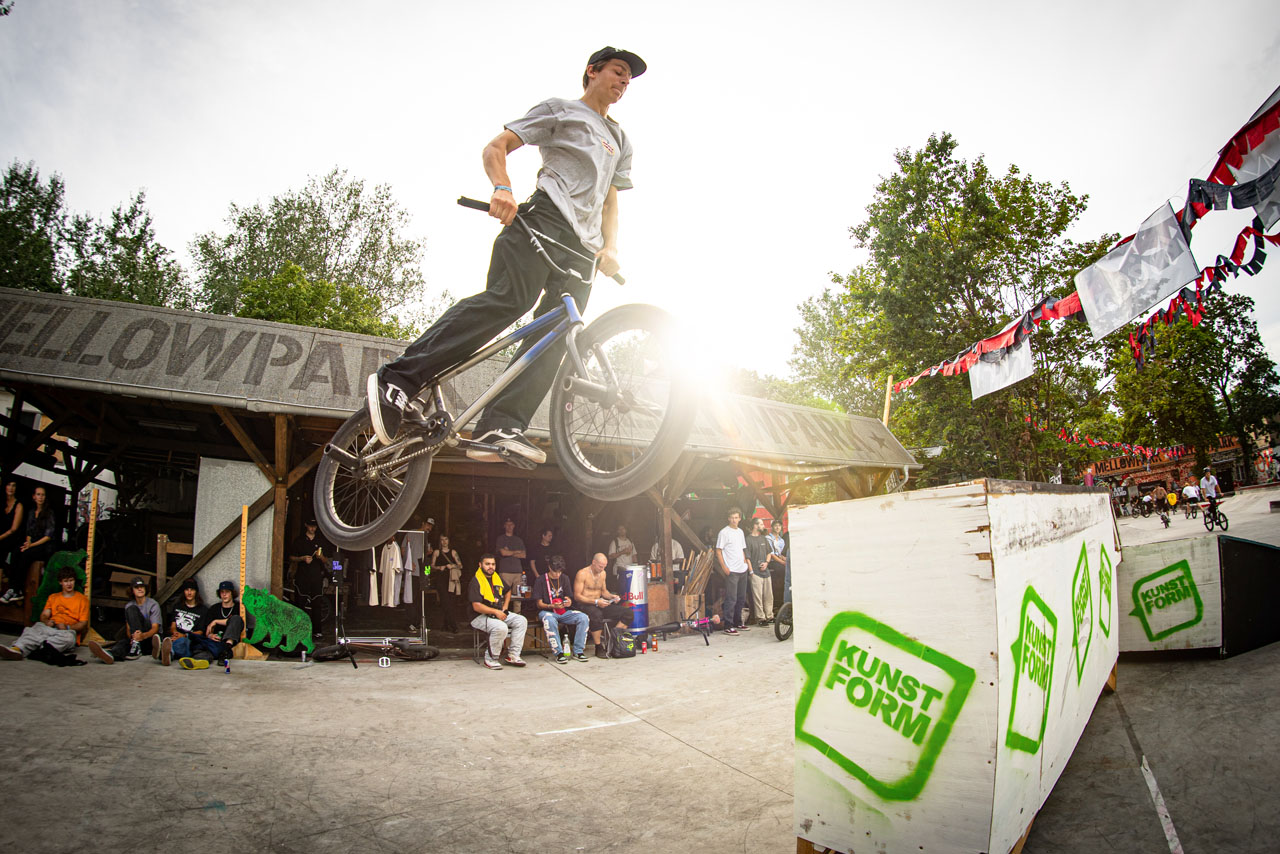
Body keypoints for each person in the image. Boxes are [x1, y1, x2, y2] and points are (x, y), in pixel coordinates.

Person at [366, 46, 645, 466]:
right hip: (543, 221)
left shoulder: (621, 140)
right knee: (508, 301)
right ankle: (400, 378)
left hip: (582, 251)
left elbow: (610, 201)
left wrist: (611, 247)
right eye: (617, 72)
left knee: (558, 335)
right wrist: (503, 188)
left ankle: (500, 424)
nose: (623, 82)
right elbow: (496, 147)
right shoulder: (561, 110)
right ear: (592, 72)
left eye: (628, 79)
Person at [0, 566, 87, 660]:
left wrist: (68, 627)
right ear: (60, 582)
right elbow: (44, 615)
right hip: (50, 627)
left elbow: (83, 623)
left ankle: (38, 649)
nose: (69, 584)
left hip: (66, 631)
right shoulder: (53, 597)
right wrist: (46, 621)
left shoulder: (82, 599)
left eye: (71, 580)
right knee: (33, 630)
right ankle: (16, 650)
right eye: (66, 581)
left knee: (68, 639)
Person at [469, 554, 527, 670]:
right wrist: (496, 612)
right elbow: (476, 606)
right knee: (501, 627)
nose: (491, 567)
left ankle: (513, 655)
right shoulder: (476, 581)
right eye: (487, 564)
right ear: (480, 565)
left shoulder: (496, 578)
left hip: (497, 613)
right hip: (478, 616)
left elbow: (508, 590)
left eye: (493, 564)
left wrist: (504, 608)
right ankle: (491, 659)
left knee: (521, 620)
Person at [88, 576, 162, 664]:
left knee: (132, 609)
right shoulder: (129, 606)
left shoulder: (153, 604)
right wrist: (133, 637)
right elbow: (128, 630)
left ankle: (136, 646)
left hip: (149, 639)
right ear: (132, 590)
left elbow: (155, 628)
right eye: (136, 587)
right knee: (123, 643)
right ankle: (111, 654)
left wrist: (142, 636)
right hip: (136, 641)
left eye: (142, 587)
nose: (140, 589)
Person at [533, 555, 589, 663]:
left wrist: (568, 601)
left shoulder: (565, 578)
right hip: (547, 611)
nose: (558, 575)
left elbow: (569, 597)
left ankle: (578, 651)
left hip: (563, 611)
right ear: (549, 568)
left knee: (583, 617)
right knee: (550, 620)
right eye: (555, 572)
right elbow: (539, 604)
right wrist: (551, 606)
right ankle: (558, 653)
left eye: (560, 572)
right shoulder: (540, 580)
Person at [573, 553, 629, 658]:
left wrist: (612, 597)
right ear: (594, 563)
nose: (602, 568)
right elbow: (577, 596)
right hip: (585, 604)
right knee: (596, 615)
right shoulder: (582, 573)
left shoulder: (603, 573)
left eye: (604, 566)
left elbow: (604, 592)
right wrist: (595, 602)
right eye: (600, 566)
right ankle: (598, 646)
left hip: (600, 602)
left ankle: (614, 641)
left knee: (627, 613)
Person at [183, 580, 249, 666]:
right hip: (215, 642)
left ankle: (226, 650)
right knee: (202, 647)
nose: (224, 595)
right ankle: (198, 662)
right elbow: (207, 630)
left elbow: (237, 622)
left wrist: (216, 621)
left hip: (229, 643)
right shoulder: (214, 608)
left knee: (236, 618)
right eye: (222, 592)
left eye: (227, 592)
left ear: (232, 593)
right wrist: (210, 635)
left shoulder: (239, 607)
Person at [715, 507, 750, 635]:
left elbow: (742, 548)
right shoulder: (724, 532)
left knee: (741, 597)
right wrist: (724, 567)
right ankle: (728, 625)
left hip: (742, 568)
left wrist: (745, 562)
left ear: (740, 518)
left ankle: (737, 622)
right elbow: (718, 550)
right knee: (731, 598)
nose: (734, 520)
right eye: (732, 518)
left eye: (736, 517)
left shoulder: (740, 532)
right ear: (728, 518)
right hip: (732, 570)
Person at [17, 485, 57, 591]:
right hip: (33, 543)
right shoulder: (31, 512)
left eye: (43, 495)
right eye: (38, 494)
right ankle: (13, 588)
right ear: (34, 497)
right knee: (18, 551)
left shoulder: (49, 513)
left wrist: (31, 545)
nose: (40, 497)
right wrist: (27, 543)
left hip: (45, 546)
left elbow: (48, 536)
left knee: (26, 554)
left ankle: (18, 588)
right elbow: (29, 532)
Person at [160, 578, 203, 666]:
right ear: (184, 591)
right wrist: (175, 633)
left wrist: (183, 635)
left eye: (192, 590)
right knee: (172, 639)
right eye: (187, 590)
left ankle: (166, 652)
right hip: (176, 637)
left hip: (190, 640)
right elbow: (173, 626)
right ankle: (167, 652)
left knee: (182, 641)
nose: (189, 592)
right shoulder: (178, 606)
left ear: (196, 592)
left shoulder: (203, 610)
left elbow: (200, 632)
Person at [431, 534, 464, 632]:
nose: (444, 542)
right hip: (441, 579)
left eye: (446, 539)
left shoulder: (453, 552)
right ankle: (453, 626)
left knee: (451, 602)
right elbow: (430, 567)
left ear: (449, 541)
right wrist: (439, 567)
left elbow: (461, 565)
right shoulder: (437, 552)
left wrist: (452, 566)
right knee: (445, 602)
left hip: (451, 580)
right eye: (442, 540)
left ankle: (446, 625)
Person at [744, 517, 773, 626]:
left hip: (766, 571)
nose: (763, 526)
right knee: (757, 596)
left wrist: (766, 563)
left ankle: (769, 616)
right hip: (755, 572)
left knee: (769, 595)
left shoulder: (764, 538)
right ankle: (761, 618)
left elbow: (769, 553)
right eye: (761, 524)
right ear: (755, 526)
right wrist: (751, 571)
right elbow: (747, 557)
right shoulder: (748, 539)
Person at [0, 479, 24, 599]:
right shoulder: (1, 502)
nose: (11, 488)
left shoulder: (18, 505)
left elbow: (14, 529)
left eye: (14, 485)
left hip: (13, 538)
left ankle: (12, 588)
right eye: (8, 485)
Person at [494, 518, 526, 590]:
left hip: (518, 572)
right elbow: (503, 553)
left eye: (511, 524)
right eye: (507, 524)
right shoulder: (501, 539)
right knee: (503, 596)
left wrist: (509, 552)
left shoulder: (518, 540)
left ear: (514, 526)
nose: (509, 526)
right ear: (504, 526)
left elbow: (523, 555)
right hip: (505, 572)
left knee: (518, 598)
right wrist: (516, 552)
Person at [766, 519, 790, 604]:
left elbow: (782, 553)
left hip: (780, 559)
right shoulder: (768, 538)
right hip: (772, 561)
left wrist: (784, 559)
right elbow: (771, 554)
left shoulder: (781, 540)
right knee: (783, 570)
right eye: (775, 525)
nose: (777, 527)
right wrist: (782, 562)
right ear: (772, 527)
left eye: (779, 526)